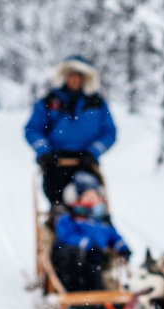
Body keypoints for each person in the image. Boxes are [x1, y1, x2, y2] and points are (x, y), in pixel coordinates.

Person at [24, 56, 117, 205]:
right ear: (64, 76)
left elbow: (109, 132)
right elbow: (33, 129)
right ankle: (62, 217)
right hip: (55, 161)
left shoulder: (97, 103)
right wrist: (44, 151)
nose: (74, 80)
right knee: (58, 194)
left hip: (86, 160)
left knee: (90, 193)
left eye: (79, 76)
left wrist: (93, 151)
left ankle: (90, 218)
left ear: (85, 78)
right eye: (71, 75)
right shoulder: (49, 102)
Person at [51, 171, 130, 292]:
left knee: (99, 268)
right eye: (87, 196)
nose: (92, 199)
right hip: (76, 259)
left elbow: (114, 236)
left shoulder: (102, 221)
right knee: (77, 257)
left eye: (95, 196)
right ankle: (75, 293)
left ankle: (102, 294)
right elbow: (66, 237)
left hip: (100, 258)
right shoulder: (68, 218)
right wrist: (88, 245)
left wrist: (122, 248)